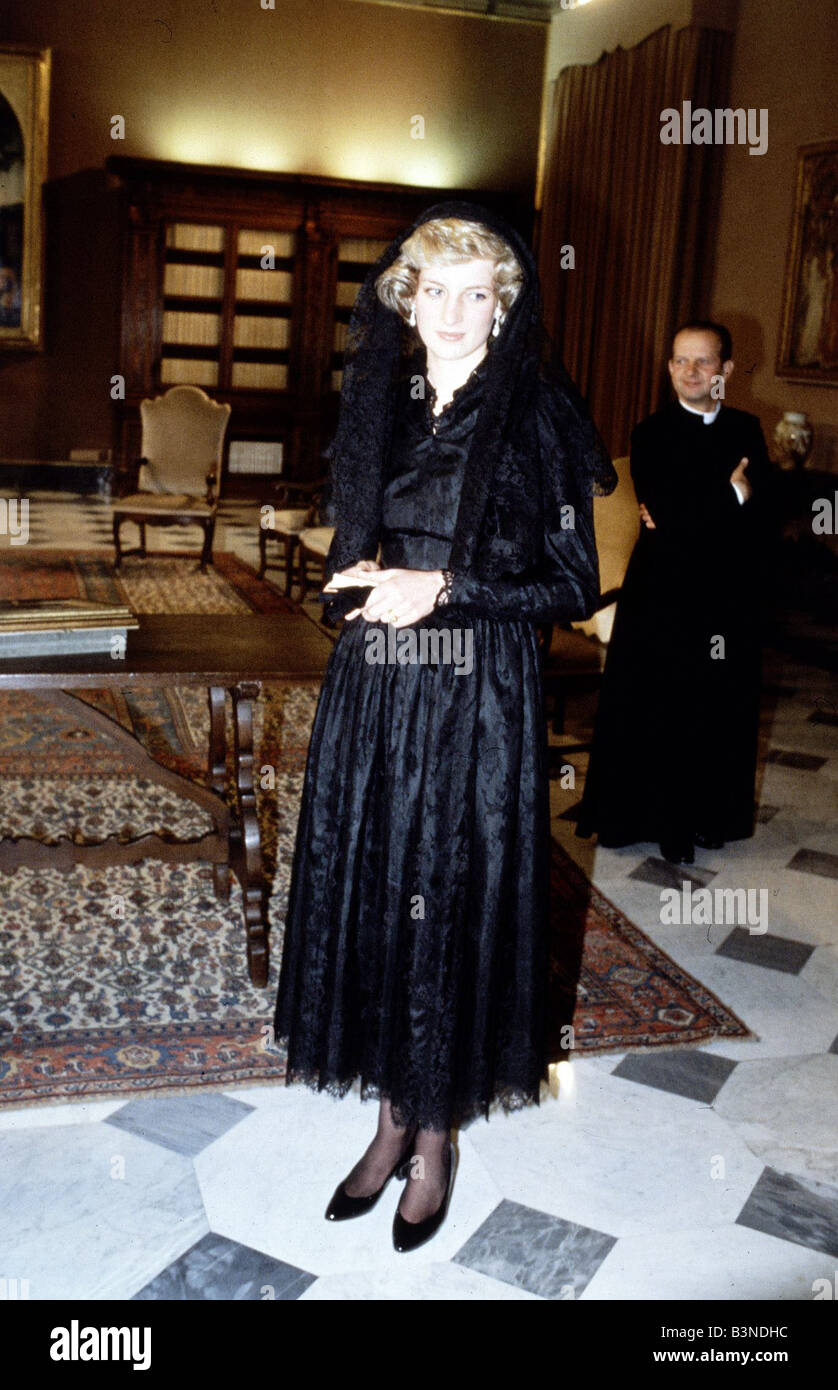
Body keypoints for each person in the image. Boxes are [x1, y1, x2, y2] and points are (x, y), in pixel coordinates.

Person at [273, 202, 616, 1253]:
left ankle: (432, 1146)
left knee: (451, 905)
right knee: (378, 892)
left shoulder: (538, 412)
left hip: (477, 702)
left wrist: (443, 588)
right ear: (403, 297)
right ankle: (387, 1124)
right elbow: (347, 557)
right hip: (378, 696)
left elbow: (571, 580)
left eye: (481, 293)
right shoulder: (380, 396)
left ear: (504, 305)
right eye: (437, 290)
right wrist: (357, 585)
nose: (457, 313)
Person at [575, 322, 774, 864]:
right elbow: (666, 510)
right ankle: (637, 816)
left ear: (726, 371)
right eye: (680, 361)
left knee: (716, 704)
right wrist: (731, 495)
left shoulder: (747, 430)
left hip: (726, 595)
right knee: (657, 703)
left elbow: (766, 516)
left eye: (703, 362)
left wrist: (705, 510)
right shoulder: (652, 432)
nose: (690, 372)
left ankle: (707, 817)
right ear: (668, 367)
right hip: (661, 594)